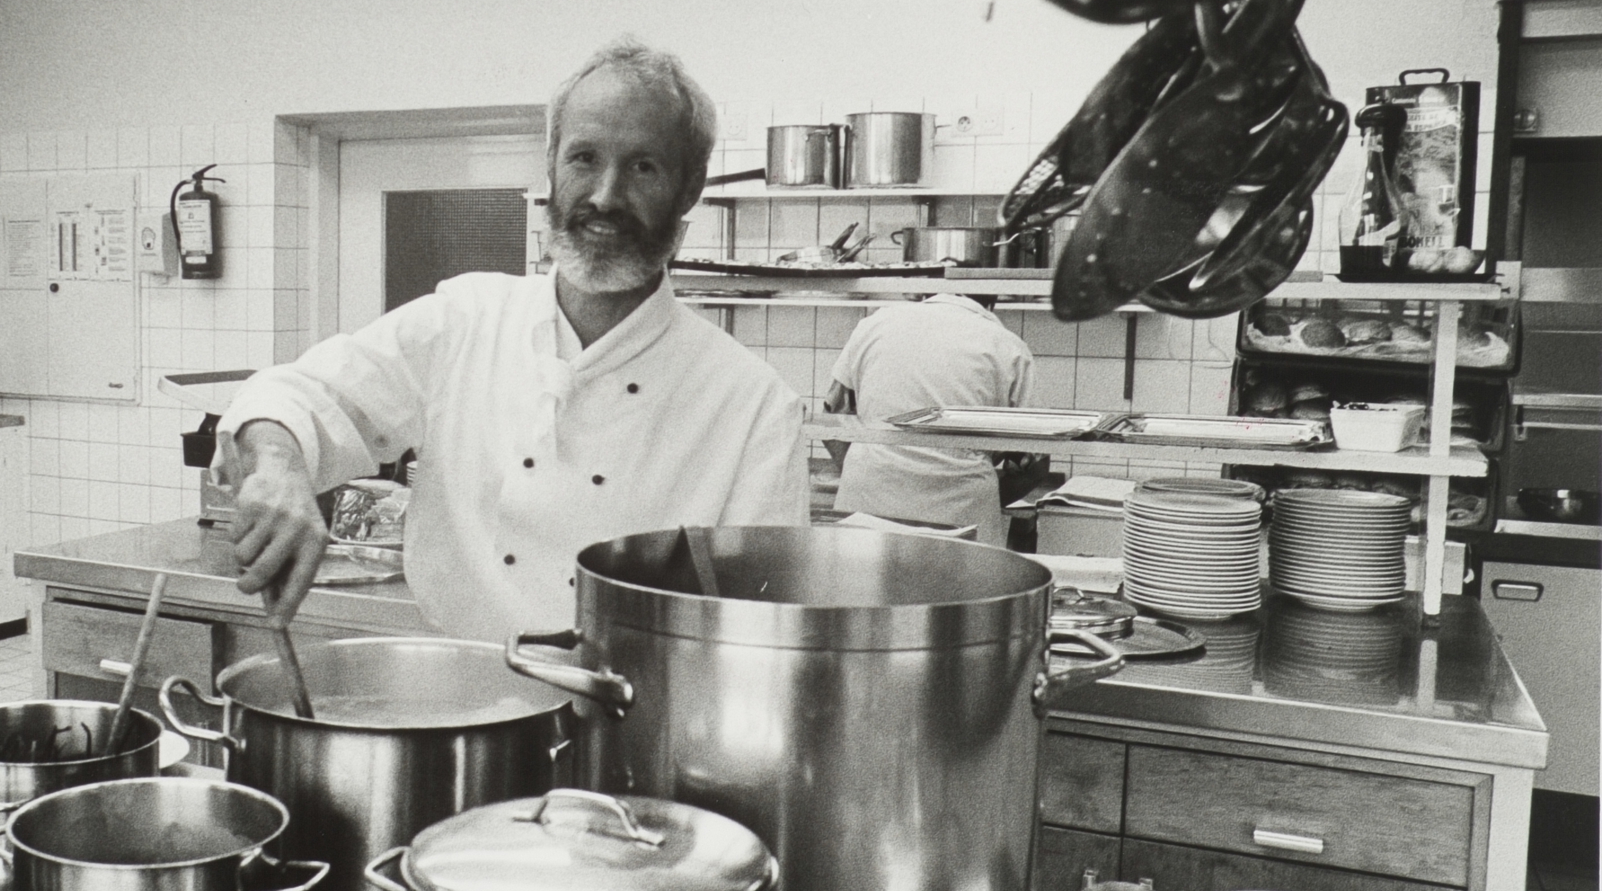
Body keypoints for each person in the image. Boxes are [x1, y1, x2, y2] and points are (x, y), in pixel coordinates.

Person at [215, 38, 808, 643]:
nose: (605, 195)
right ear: (551, 164)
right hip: (457, 690)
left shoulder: (753, 406)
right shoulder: (465, 321)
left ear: (690, 188)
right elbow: (299, 392)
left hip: (640, 698)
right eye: (584, 158)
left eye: (643, 167)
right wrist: (279, 466)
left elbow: (765, 631)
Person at [821, 294, 1033, 547]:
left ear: (925, 293)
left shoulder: (874, 324)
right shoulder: (1009, 346)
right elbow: (1032, 465)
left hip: (868, 499)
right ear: (992, 302)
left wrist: (871, 469)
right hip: (962, 510)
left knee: (863, 571)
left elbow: (832, 417)